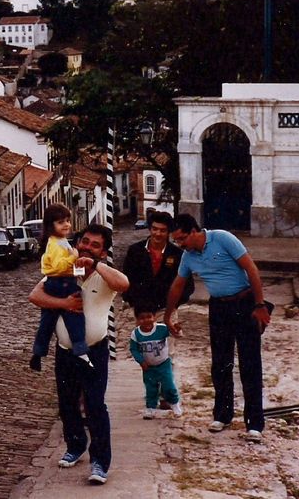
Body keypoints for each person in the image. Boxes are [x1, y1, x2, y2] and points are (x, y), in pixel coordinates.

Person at [29, 224, 129, 486]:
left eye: (95, 245)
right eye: (84, 241)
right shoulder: (64, 271)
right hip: (65, 352)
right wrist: (63, 304)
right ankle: (75, 445)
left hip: (95, 352)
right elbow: (35, 295)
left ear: (104, 252)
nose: (87, 247)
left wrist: (97, 265)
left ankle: (100, 461)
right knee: (67, 404)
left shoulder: (104, 275)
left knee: (96, 406)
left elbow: (124, 284)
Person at [164, 214, 272, 443]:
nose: (180, 244)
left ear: (194, 231)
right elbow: (178, 285)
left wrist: (260, 304)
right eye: (177, 241)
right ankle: (223, 415)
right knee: (220, 363)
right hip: (219, 308)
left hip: (245, 303)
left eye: (182, 238)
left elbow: (251, 269)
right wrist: (167, 315)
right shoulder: (188, 256)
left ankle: (254, 423)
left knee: (249, 364)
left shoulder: (223, 238)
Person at [30, 204, 93, 372]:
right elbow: (58, 266)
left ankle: (38, 353)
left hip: (54, 283)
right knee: (75, 317)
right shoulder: (56, 244)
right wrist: (73, 256)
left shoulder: (58, 241)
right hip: (63, 284)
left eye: (67, 220)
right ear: (51, 226)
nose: (66, 225)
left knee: (47, 323)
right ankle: (81, 351)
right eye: (61, 222)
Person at [122, 211, 193, 313]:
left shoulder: (178, 254)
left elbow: (188, 285)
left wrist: (174, 305)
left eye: (163, 230)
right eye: (155, 229)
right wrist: (132, 302)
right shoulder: (135, 250)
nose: (158, 234)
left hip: (167, 311)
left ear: (169, 231)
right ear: (149, 229)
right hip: (141, 312)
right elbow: (126, 278)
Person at [128, 303, 183, 419]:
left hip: (163, 363)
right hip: (148, 366)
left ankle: (175, 404)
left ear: (154, 317)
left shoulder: (162, 328)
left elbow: (176, 335)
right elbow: (133, 349)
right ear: (137, 320)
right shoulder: (136, 334)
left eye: (149, 317)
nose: (146, 320)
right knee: (150, 388)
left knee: (169, 385)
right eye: (142, 318)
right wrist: (141, 361)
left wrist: (177, 329)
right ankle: (151, 408)